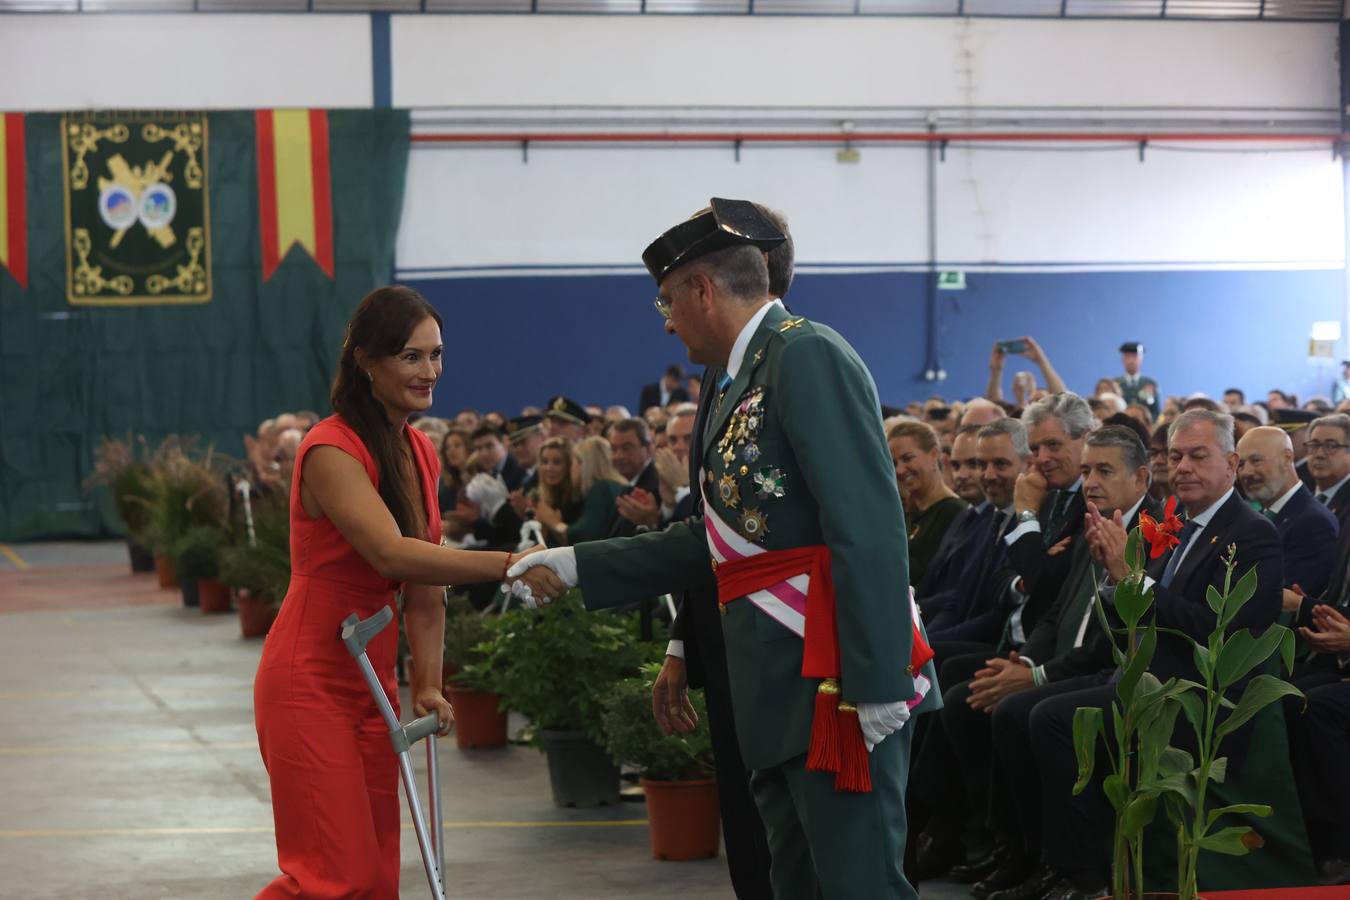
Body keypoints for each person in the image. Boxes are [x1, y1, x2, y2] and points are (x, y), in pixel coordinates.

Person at [508, 198, 938, 899]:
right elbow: (716, 537)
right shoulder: (730, 377)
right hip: (770, 687)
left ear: (704, 290)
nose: (668, 322)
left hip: (834, 684)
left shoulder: (807, 357)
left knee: (860, 885)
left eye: (668, 302)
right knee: (793, 884)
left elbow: (867, 526)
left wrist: (880, 677)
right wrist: (576, 563)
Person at [252, 286, 548, 898]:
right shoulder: (330, 448)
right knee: (335, 877)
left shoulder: (419, 449)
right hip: (310, 679)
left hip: (373, 683)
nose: (430, 371)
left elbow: (424, 582)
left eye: (436, 355)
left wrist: (430, 682)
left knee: (378, 876)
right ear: (366, 360)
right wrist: (510, 564)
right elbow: (390, 552)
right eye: (411, 356)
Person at [1237, 426, 1338, 596]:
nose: (1246, 472)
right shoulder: (1261, 516)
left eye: (1256, 460)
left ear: (1287, 458)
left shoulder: (1313, 522)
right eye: (1241, 464)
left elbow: (1285, 601)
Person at [889, 420, 967, 587]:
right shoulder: (905, 514)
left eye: (907, 458)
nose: (899, 470)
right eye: (894, 463)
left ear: (933, 454)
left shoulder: (956, 513)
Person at [1114, 341, 1159, 420]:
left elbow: (1155, 411)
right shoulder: (1115, 384)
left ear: (1141, 359)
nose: (1131, 360)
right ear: (1122, 359)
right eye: (1127, 356)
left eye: (1135, 356)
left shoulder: (1150, 384)